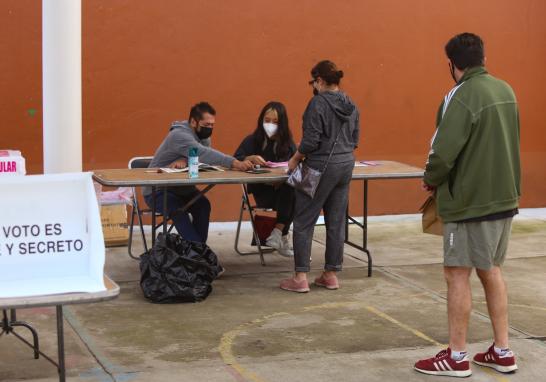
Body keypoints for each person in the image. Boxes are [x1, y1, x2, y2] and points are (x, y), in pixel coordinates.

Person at [414, 33, 520, 377]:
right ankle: (502, 350)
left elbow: (443, 151)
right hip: (504, 198)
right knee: (491, 269)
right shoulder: (506, 90)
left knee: (456, 273)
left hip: (469, 203)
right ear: (483, 58)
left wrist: (431, 177)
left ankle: (457, 357)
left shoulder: (459, 96)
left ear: (452, 64)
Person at [280, 60, 360, 293]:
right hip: (345, 165)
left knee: (304, 220)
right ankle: (331, 274)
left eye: (313, 81)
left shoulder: (317, 104)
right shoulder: (350, 103)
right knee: (336, 221)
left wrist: (295, 159)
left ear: (321, 81)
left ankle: (300, 277)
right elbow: (355, 138)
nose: (313, 86)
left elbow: (310, 141)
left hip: (318, 166)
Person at [144, 102, 253, 243]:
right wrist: (235, 163)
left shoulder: (204, 137)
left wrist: (185, 159)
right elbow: (202, 153)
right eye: (206, 125)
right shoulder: (178, 135)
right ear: (193, 122)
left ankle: (197, 251)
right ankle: (200, 254)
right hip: (158, 191)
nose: (209, 128)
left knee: (203, 205)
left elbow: (203, 159)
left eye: (212, 125)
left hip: (183, 188)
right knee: (178, 210)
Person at [234, 101, 298, 256]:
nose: (270, 125)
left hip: (283, 190)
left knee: (297, 190)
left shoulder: (288, 143)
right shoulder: (252, 140)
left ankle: (278, 233)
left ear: (282, 124)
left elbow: (297, 166)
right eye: (267, 120)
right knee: (295, 194)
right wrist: (249, 158)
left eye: (275, 122)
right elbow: (235, 159)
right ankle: (280, 234)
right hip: (262, 191)